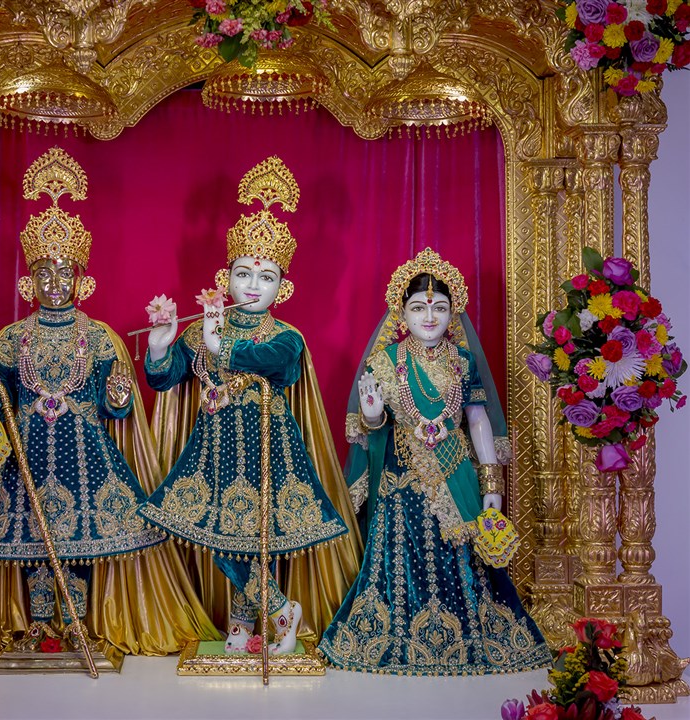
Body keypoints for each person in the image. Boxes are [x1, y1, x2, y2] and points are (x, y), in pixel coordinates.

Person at [0, 147, 218, 660]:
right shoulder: (10, 340)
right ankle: (40, 623)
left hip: (85, 454)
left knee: (81, 538)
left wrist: (117, 398)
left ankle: (76, 622)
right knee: (32, 540)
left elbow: (117, 410)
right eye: (44, 275)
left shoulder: (100, 338)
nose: (54, 284)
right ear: (28, 280)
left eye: (64, 273)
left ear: (82, 279)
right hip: (24, 455)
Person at [140, 157, 350, 654]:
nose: (253, 285)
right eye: (243, 273)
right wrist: (160, 346)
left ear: (283, 287)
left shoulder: (286, 337)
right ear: (225, 278)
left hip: (266, 449)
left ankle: (263, 616)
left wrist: (221, 347)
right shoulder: (201, 330)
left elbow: (275, 366)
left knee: (249, 535)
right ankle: (259, 617)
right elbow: (165, 379)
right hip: (213, 450)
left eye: (267, 276)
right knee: (218, 535)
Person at [319, 247, 550, 674]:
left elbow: (478, 420)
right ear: (401, 313)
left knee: (463, 558)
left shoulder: (463, 362)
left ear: (452, 312)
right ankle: (397, 641)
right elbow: (375, 425)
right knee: (399, 561)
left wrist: (492, 484)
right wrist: (372, 411)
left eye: (440, 308)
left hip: (456, 472)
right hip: (400, 480)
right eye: (418, 308)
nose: (429, 317)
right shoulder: (385, 362)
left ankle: (470, 642)